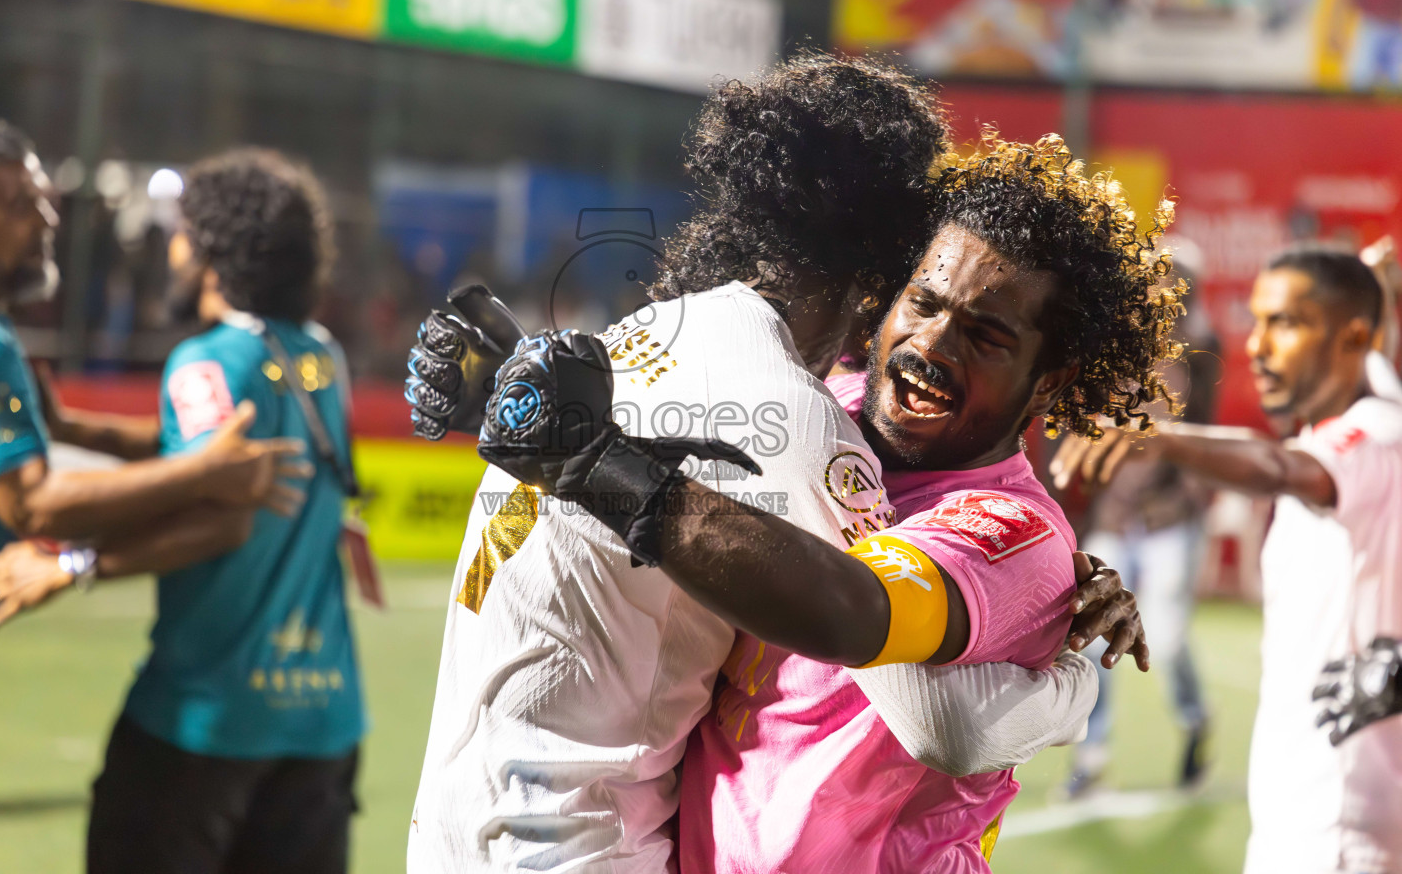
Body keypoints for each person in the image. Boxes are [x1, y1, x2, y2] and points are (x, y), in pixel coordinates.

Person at [405, 54, 1140, 872]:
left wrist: (1050, 608)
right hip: (574, 847)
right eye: (923, 301)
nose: (931, 343)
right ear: (889, 269)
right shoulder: (797, 415)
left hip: (457, 824)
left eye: (986, 334)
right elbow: (940, 712)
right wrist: (1071, 679)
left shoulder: (640, 340)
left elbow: (930, 700)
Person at [0, 118, 307, 872]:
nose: (45, 218)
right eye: (19, 203)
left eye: (43, 198)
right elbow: (31, 505)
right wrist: (206, 474)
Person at [0, 148, 366, 874]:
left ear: (210, 252)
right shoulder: (321, 357)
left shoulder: (206, 361)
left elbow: (223, 511)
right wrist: (78, 428)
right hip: (324, 724)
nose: (169, 248)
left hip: (206, 723)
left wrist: (72, 561)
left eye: (180, 233)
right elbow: (198, 454)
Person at [1053, 244, 1402, 874]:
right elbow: (1369, 365)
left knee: (1169, 636)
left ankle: (1182, 726)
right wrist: (1379, 308)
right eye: (1259, 321)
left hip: (1339, 836)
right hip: (1301, 823)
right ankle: (1098, 752)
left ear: (1352, 335)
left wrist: (1157, 436)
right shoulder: (1368, 418)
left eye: (1287, 323)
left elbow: (1275, 465)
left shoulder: (1372, 437)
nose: (1259, 345)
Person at [1067, 241, 1221, 797]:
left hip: (1171, 518)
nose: (1160, 290)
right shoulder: (1115, 346)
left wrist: (1191, 496)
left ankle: (1195, 721)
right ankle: (1092, 754)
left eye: (1171, 280)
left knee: (1171, 639)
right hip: (1116, 512)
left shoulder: (1200, 353)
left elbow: (1207, 437)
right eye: (1153, 279)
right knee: (1094, 632)